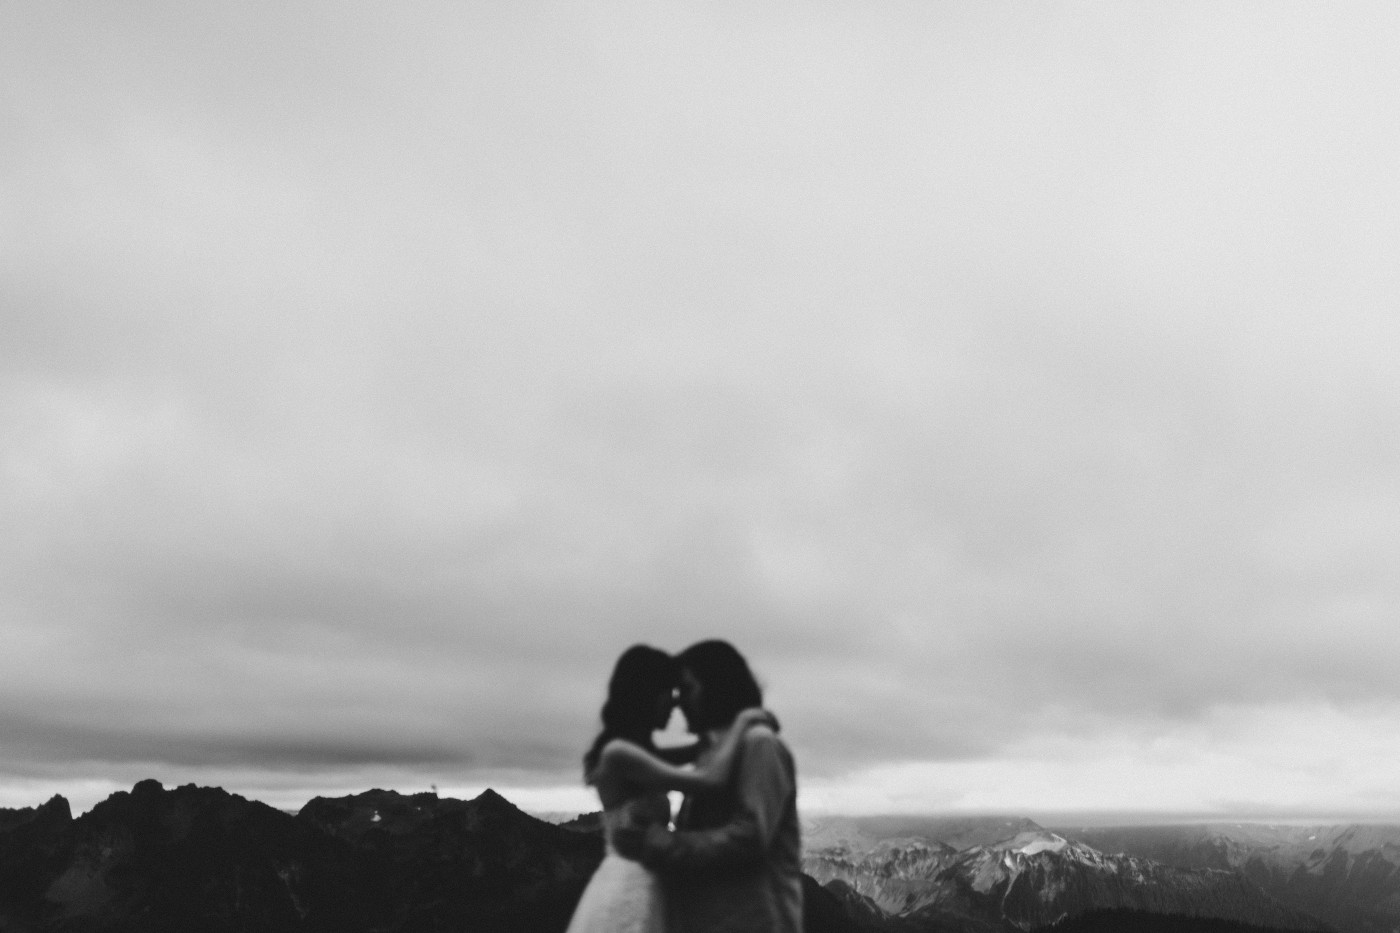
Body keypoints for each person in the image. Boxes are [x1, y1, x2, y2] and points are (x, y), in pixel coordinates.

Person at [564, 644, 774, 933]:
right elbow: (709, 779)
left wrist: (717, 734)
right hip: (629, 887)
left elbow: (694, 753)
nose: (675, 704)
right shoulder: (619, 753)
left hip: (648, 883)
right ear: (646, 695)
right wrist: (743, 721)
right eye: (669, 692)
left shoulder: (636, 754)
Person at [614, 640, 803, 933]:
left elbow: (750, 837)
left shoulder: (759, 745)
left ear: (716, 687)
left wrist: (660, 842)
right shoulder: (712, 754)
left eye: (687, 689)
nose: (679, 703)